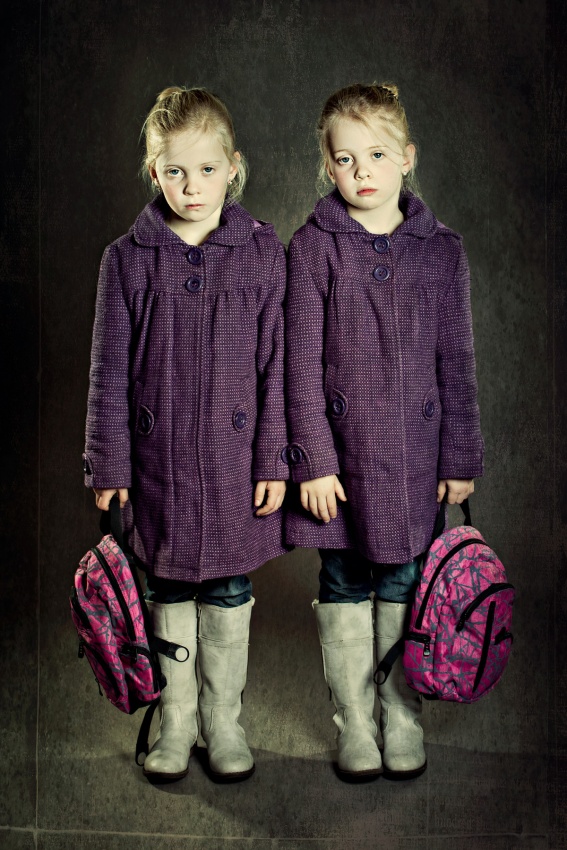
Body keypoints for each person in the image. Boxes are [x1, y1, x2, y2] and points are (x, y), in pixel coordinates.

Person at [83, 86, 288, 784]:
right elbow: (108, 372)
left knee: (228, 590)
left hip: (235, 466)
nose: (191, 186)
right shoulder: (127, 259)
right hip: (158, 464)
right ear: (154, 173)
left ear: (233, 167)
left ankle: (222, 723)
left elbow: (277, 366)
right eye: (174, 171)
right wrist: (109, 465)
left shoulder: (261, 254)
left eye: (205, 170)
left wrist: (275, 459)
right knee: (167, 589)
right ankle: (176, 722)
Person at [285, 83, 484, 781]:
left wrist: (459, 456)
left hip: (415, 460)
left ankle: (401, 715)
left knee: (405, 578)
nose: (361, 171)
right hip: (338, 466)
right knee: (343, 578)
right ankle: (354, 722)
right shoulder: (312, 248)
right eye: (344, 159)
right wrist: (312, 460)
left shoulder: (441, 251)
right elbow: (298, 364)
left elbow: (456, 360)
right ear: (327, 167)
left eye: (375, 154)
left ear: (407, 157)